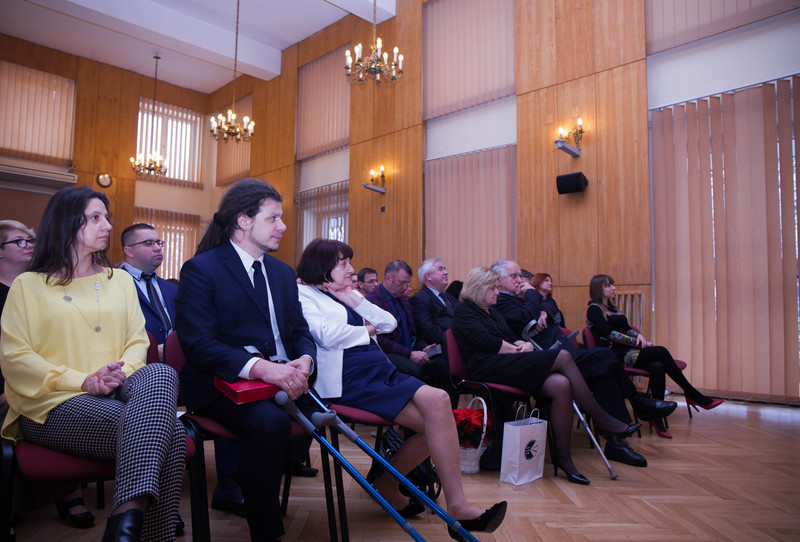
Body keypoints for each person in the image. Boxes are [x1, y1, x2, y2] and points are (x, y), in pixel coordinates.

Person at [0, 186, 186, 541]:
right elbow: (16, 358)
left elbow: (137, 341)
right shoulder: (28, 285)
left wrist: (115, 377)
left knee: (160, 372)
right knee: (173, 434)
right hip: (51, 404)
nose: (107, 226)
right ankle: (129, 527)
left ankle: (123, 527)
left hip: (119, 392)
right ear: (67, 223)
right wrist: (84, 381)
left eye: (107, 217)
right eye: (95, 218)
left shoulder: (120, 280)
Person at [295, 239, 506, 541]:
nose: (351, 270)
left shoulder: (348, 294)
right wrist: (368, 329)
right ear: (321, 267)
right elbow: (327, 336)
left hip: (377, 370)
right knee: (436, 419)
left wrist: (355, 301)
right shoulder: (303, 294)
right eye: (344, 264)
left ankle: (401, 488)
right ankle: (444, 504)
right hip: (347, 378)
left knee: (438, 409)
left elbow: (389, 323)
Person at [174, 178, 316, 542]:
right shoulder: (202, 269)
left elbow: (300, 330)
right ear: (244, 221)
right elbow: (199, 345)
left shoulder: (282, 272)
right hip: (222, 382)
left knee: (330, 410)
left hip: (283, 377)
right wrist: (264, 369)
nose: (283, 226)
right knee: (269, 423)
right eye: (273, 218)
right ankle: (266, 532)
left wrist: (304, 359)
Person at [452, 267, 642, 485]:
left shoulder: (490, 310)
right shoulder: (464, 310)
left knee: (561, 384)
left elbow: (510, 336)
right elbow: (487, 342)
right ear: (479, 288)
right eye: (493, 288)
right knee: (562, 356)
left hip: (506, 362)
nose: (497, 292)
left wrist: (521, 344)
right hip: (486, 366)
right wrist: (517, 349)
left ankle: (564, 459)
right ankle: (602, 419)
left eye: (497, 287)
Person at [120, 223, 250, 517]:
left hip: (185, 370)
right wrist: (151, 351)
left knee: (228, 390)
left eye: (160, 242)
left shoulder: (173, 287)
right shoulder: (113, 283)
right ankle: (150, 500)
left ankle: (230, 483)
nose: (158, 248)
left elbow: (193, 328)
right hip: (138, 371)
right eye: (148, 243)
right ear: (128, 250)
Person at [491, 261, 673, 465]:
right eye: (514, 276)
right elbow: (523, 317)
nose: (520, 280)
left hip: (564, 354)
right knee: (605, 356)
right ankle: (636, 403)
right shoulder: (500, 301)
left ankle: (616, 443)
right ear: (498, 280)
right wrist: (533, 296)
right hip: (548, 361)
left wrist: (542, 311)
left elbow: (550, 305)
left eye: (520, 276)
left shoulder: (523, 297)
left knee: (604, 375)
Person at [587, 274, 723, 438]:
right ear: (599, 289)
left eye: (612, 285)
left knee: (657, 366)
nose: (614, 288)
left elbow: (626, 328)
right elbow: (610, 334)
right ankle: (692, 394)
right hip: (615, 355)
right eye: (609, 285)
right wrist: (636, 342)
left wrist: (638, 335)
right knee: (661, 351)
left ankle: (656, 418)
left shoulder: (613, 309)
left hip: (629, 350)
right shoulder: (593, 309)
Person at [367, 260, 447, 381]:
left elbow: (413, 334)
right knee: (414, 370)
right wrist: (410, 354)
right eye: (402, 282)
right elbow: (379, 340)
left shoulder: (404, 302)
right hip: (387, 353)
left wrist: (423, 348)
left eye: (407, 283)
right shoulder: (372, 302)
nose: (405, 287)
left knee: (442, 366)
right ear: (388, 278)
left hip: (408, 351)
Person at [410, 257, 458, 346]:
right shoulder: (420, 299)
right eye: (440, 269)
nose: (446, 272)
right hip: (442, 347)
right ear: (428, 276)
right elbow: (429, 332)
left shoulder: (450, 297)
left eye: (444, 269)